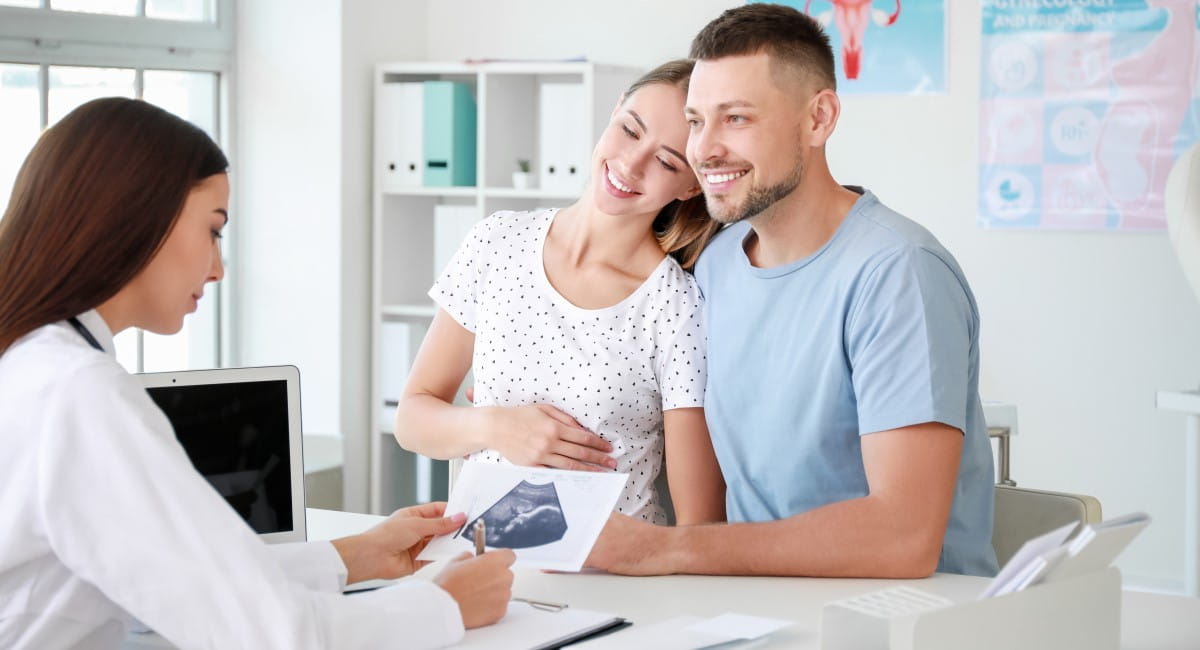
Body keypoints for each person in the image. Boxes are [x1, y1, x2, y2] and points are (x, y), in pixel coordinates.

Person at [0, 97, 515, 649]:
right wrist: (446, 605)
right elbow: (275, 636)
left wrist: (356, 555)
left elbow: (177, 584)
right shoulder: (80, 393)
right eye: (214, 231)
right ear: (138, 218)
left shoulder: (32, 362)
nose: (218, 269)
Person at [587, 4, 999, 578]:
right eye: (697, 121)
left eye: (736, 118)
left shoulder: (899, 273)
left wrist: (669, 549)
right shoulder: (716, 266)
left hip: (906, 613)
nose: (704, 149)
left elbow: (904, 537)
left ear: (818, 119)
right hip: (758, 604)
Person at [394, 60, 727, 526]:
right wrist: (496, 426)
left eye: (666, 161)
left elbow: (699, 525)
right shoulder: (496, 242)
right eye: (630, 130)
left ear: (691, 185)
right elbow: (411, 420)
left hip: (610, 563)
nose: (631, 164)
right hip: (483, 552)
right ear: (614, 110)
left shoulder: (677, 306)